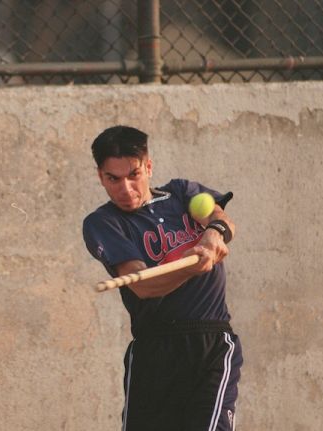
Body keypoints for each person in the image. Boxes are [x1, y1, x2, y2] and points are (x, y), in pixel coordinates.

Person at [82, 126, 243, 431]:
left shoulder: (183, 193)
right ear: (100, 176)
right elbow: (142, 285)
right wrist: (191, 267)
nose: (126, 189)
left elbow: (222, 219)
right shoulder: (103, 223)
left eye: (134, 174)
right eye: (113, 179)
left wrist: (213, 233)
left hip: (209, 342)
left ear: (149, 166)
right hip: (153, 351)